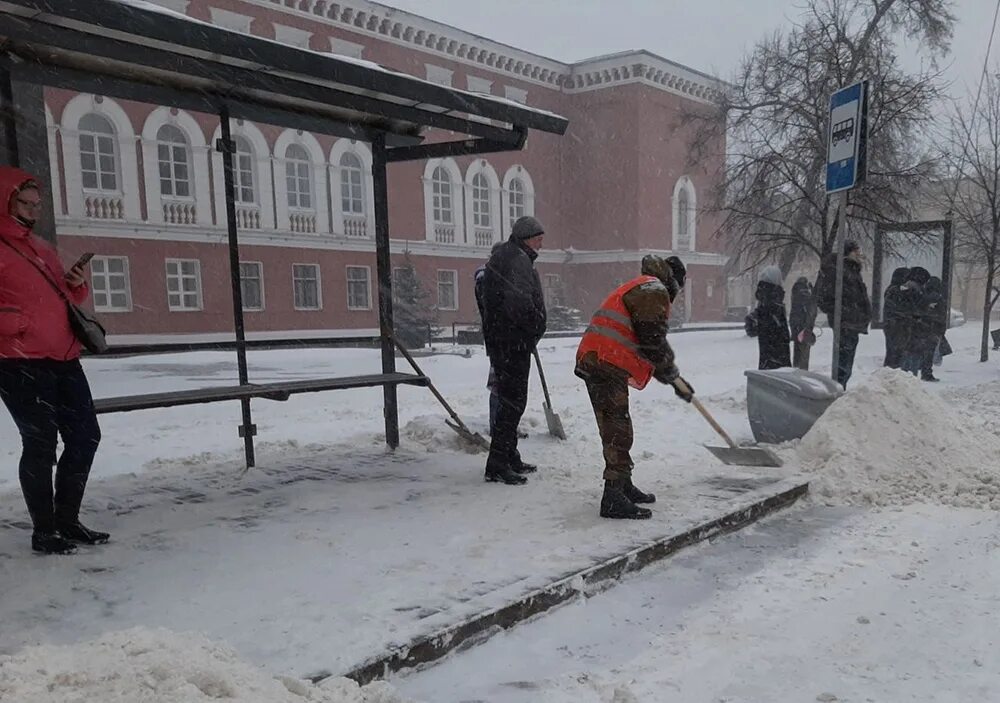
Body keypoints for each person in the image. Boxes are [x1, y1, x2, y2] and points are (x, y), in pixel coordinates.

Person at [0, 167, 106, 555]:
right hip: (18, 362)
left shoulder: (42, 248)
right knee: (40, 443)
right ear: (5, 199)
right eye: (24, 203)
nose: (32, 211)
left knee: (85, 437)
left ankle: (68, 520)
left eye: (36, 204)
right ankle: (44, 531)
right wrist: (16, 322)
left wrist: (75, 282)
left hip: (64, 357)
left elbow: (64, 299)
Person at [575, 255, 694, 520]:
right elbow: (652, 339)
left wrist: (668, 373)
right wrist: (671, 372)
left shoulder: (645, 285)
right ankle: (613, 496)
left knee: (618, 424)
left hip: (602, 358)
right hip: (604, 359)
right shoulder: (653, 290)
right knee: (616, 427)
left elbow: (647, 338)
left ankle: (623, 485)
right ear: (674, 280)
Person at [480, 216, 547, 485]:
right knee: (512, 403)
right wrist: (532, 329)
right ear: (526, 237)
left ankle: (508, 456)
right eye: (538, 238)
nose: (541, 243)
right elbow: (519, 304)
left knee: (510, 401)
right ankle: (497, 464)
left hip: (505, 342)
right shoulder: (517, 260)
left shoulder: (509, 256)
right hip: (513, 343)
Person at [817, 240, 871, 388]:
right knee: (843, 365)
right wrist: (842, 312)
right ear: (848, 252)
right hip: (845, 323)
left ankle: (840, 391)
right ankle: (837, 393)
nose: (859, 254)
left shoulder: (852, 271)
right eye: (856, 250)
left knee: (846, 365)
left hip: (852, 323)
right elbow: (825, 298)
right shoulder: (838, 271)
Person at [474, 242, 503, 434]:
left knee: (505, 385)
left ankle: (504, 424)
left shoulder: (494, 275)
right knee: (498, 384)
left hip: (506, 337)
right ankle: (497, 425)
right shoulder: (485, 277)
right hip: (498, 338)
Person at [753, 266, 791, 370]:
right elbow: (779, 331)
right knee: (778, 377)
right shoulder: (773, 297)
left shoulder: (765, 298)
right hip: (777, 355)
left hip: (769, 355)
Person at [900, 267, 930, 377]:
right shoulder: (915, 289)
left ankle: (908, 376)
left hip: (910, 326)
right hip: (914, 326)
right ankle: (910, 377)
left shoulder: (907, 286)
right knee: (913, 353)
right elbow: (917, 307)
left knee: (910, 352)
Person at [918, 276, 947, 382]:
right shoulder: (938, 297)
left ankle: (924, 371)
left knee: (924, 351)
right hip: (934, 328)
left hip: (924, 328)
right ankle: (926, 373)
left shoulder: (923, 296)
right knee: (929, 353)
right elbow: (941, 315)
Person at [882, 267, 911, 369]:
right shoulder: (894, 290)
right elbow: (897, 309)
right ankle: (890, 372)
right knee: (894, 353)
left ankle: (891, 371)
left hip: (894, 325)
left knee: (894, 352)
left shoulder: (894, 289)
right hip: (895, 326)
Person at [789, 277, 817, 370]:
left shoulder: (795, 292)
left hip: (796, 327)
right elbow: (811, 308)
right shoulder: (804, 293)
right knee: (803, 355)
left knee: (797, 353)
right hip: (803, 328)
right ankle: (801, 372)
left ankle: (796, 370)